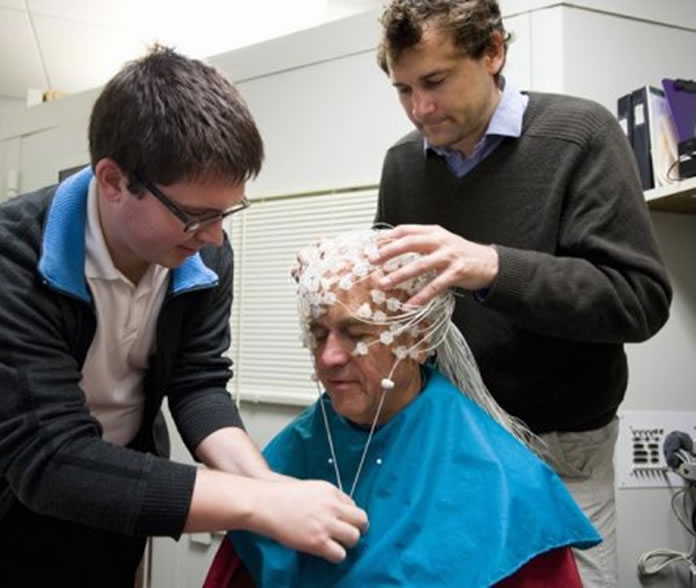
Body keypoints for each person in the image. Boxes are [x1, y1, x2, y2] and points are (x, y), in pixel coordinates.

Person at [0, 45, 367, 587]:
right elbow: (49, 457)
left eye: (226, 211)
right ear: (113, 181)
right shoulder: (4, 256)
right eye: (195, 215)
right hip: (0, 513)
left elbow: (197, 383)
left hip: (122, 500)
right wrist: (253, 502)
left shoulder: (202, 252)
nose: (215, 236)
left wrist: (272, 490)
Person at [371, 1, 673, 586]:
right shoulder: (402, 164)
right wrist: (342, 276)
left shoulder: (581, 136)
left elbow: (638, 299)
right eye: (402, 89)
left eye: (434, 81)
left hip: (562, 452)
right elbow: (400, 298)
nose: (419, 109)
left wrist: (492, 267)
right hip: (447, 441)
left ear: (492, 52)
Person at [204, 229, 601, 587]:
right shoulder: (296, 451)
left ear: (419, 339)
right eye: (318, 332)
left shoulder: (504, 480)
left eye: (356, 332)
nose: (329, 357)